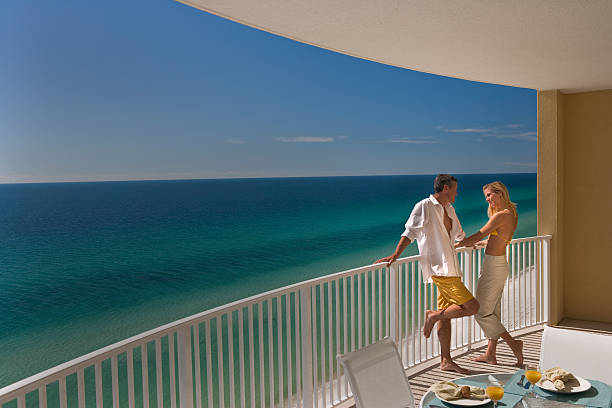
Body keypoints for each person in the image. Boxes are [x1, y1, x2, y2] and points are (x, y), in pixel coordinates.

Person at [376, 174, 479, 374]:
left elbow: (459, 235)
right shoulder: (424, 206)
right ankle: (431, 316)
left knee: (446, 316)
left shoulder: (449, 208)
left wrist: (473, 243)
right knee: (472, 306)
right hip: (440, 269)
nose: (458, 193)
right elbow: (410, 232)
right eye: (455, 189)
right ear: (446, 188)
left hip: (452, 268)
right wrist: (395, 254)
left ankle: (445, 360)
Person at [455, 181, 524, 367]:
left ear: (500, 193)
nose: (487, 199)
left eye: (490, 195)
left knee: (481, 312)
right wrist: (483, 244)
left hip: (494, 267)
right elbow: (499, 238)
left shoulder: (501, 216)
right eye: (485, 196)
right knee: (493, 311)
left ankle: (514, 344)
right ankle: (490, 354)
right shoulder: (511, 213)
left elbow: (479, 234)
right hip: (498, 264)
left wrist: (455, 245)